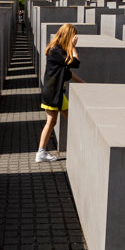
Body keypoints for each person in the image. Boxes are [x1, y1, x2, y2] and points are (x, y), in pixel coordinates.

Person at [36, 22, 84, 162]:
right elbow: (75, 63)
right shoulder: (55, 50)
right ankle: (41, 152)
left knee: (56, 121)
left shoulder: (58, 50)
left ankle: (42, 151)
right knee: (53, 121)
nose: (75, 39)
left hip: (56, 93)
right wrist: (73, 48)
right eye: (73, 37)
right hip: (53, 93)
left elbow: (67, 72)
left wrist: (83, 83)